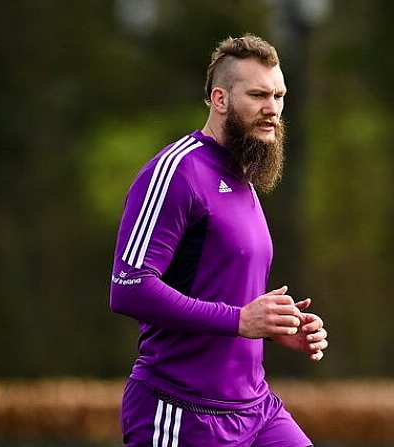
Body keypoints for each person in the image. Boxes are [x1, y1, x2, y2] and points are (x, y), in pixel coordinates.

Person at [109, 34, 328, 447]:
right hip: (179, 410)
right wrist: (239, 320)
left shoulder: (243, 177)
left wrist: (275, 325)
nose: (273, 109)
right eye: (259, 95)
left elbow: (224, 289)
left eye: (279, 96)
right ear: (220, 99)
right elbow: (129, 288)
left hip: (256, 410)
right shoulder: (178, 171)